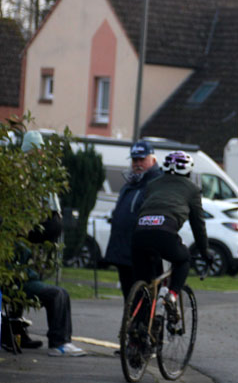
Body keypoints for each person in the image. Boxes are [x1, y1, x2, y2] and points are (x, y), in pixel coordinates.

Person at [9, 131, 86, 356]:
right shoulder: (28, 178)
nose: (40, 154)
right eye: (37, 149)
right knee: (58, 293)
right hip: (20, 273)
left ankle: (16, 334)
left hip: (25, 265)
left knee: (42, 287)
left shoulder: (33, 175)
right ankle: (59, 342)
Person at [131, 151, 211, 311]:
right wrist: (204, 251)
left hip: (139, 233)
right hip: (165, 233)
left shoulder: (152, 184)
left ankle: (136, 326)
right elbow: (198, 224)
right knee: (183, 259)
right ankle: (172, 295)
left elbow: (141, 209)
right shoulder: (192, 189)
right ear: (189, 171)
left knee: (144, 282)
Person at [105, 141, 163, 300]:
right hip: (123, 251)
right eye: (134, 160)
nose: (137, 164)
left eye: (141, 160)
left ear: (153, 160)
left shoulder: (156, 183)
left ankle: (143, 324)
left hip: (143, 252)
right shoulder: (131, 183)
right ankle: (132, 324)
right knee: (129, 298)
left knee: (142, 298)